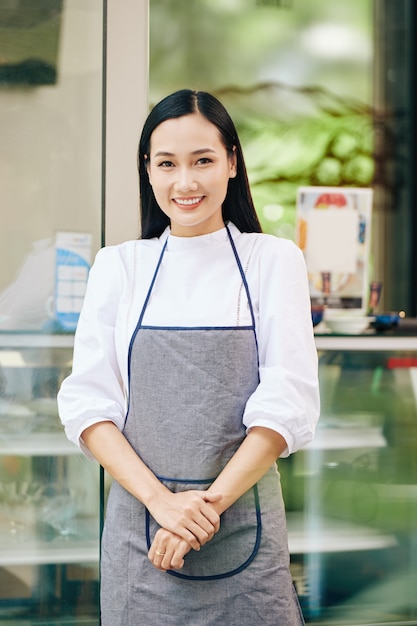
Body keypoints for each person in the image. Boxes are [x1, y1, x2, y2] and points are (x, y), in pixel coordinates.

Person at [58, 89, 320, 625]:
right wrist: (162, 504)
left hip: (243, 524)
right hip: (141, 533)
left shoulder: (272, 260)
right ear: (148, 172)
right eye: (167, 164)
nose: (185, 182)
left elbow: (286, 403)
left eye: (202, 160)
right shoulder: (119, 266)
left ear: (231, 162)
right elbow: (88, 405)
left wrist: (200, 512)